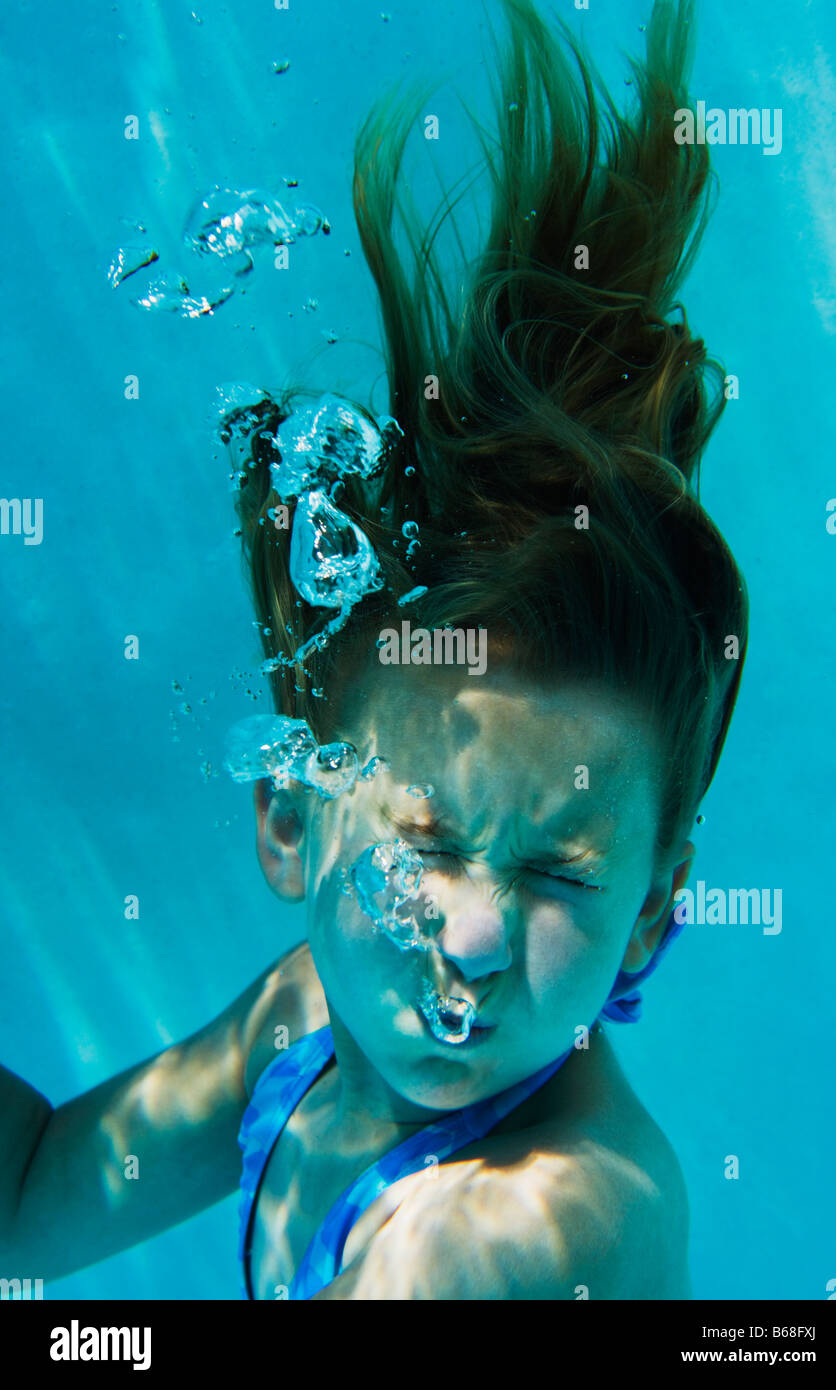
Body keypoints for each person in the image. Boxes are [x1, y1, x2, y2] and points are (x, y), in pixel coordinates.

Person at [0, 0, 747, 1300]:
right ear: (292, 810)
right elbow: (28, 1198)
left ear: (651, 914)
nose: (467, 933)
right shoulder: (302, 1022)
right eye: (420, 843)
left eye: (560, 876)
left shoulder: (538, 1221)